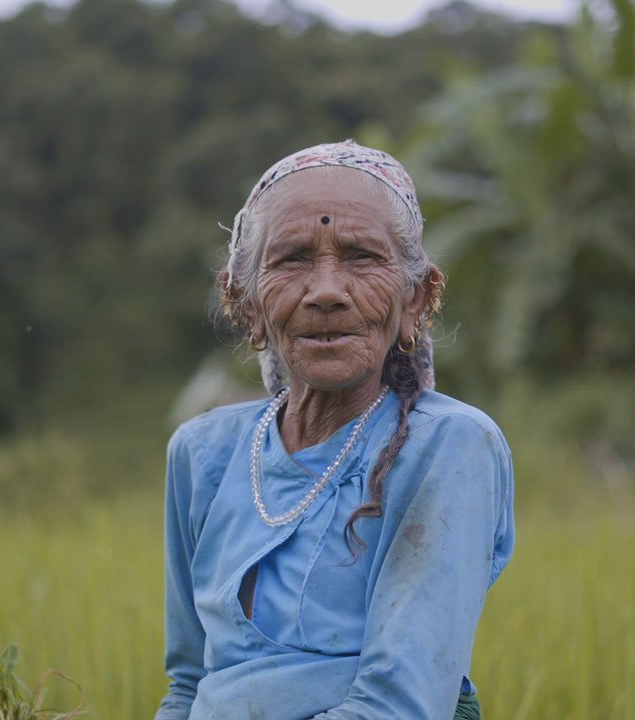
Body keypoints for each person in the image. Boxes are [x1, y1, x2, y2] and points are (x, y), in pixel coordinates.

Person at [155, 140, 516, 720]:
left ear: (415, 299)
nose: (326, 291)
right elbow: (188, 684)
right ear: (244, 303)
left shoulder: (448, 446)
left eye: (361, 257)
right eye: (292, 258)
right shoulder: (202, 453)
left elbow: (398, 705)